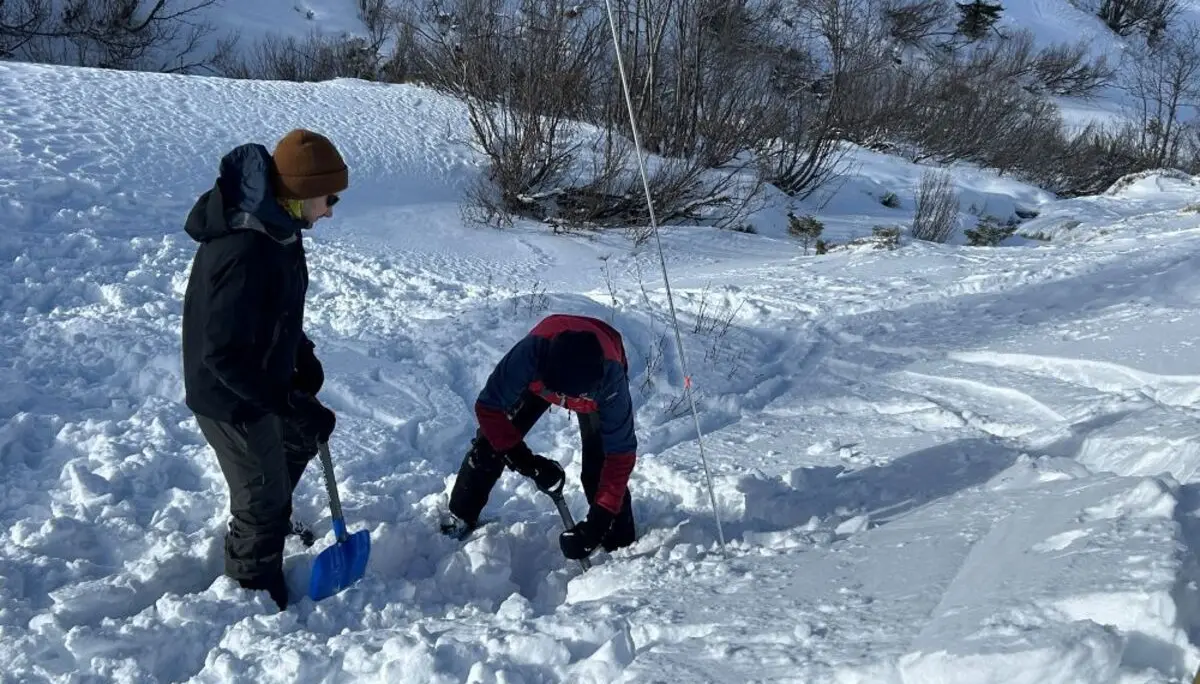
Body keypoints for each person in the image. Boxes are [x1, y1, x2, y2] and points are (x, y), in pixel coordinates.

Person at [180, 129, 346, 610]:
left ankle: (275, 514)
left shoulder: (281, 228)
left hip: (261, 378)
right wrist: (288, 400)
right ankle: (252, 596)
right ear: (301, 192)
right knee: (261, 502)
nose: (331, 210)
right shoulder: (244, 248)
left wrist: (300, 353)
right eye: (329, 198)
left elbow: (276, 307)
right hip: (229, 396)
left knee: (298, 438)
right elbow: (222, 354)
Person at [448, 314, 638, 560]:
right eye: (562, 394)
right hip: (541, 382)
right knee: (490, 445)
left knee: (599, 467)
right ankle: (460, 513)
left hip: (595, 380)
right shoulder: (529, 355)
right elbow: (489, 408)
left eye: (576, 397)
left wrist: (597, 525)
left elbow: (620, 454)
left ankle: (617, 538)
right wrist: (526, 462)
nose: (566, 402)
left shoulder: (611, 380)